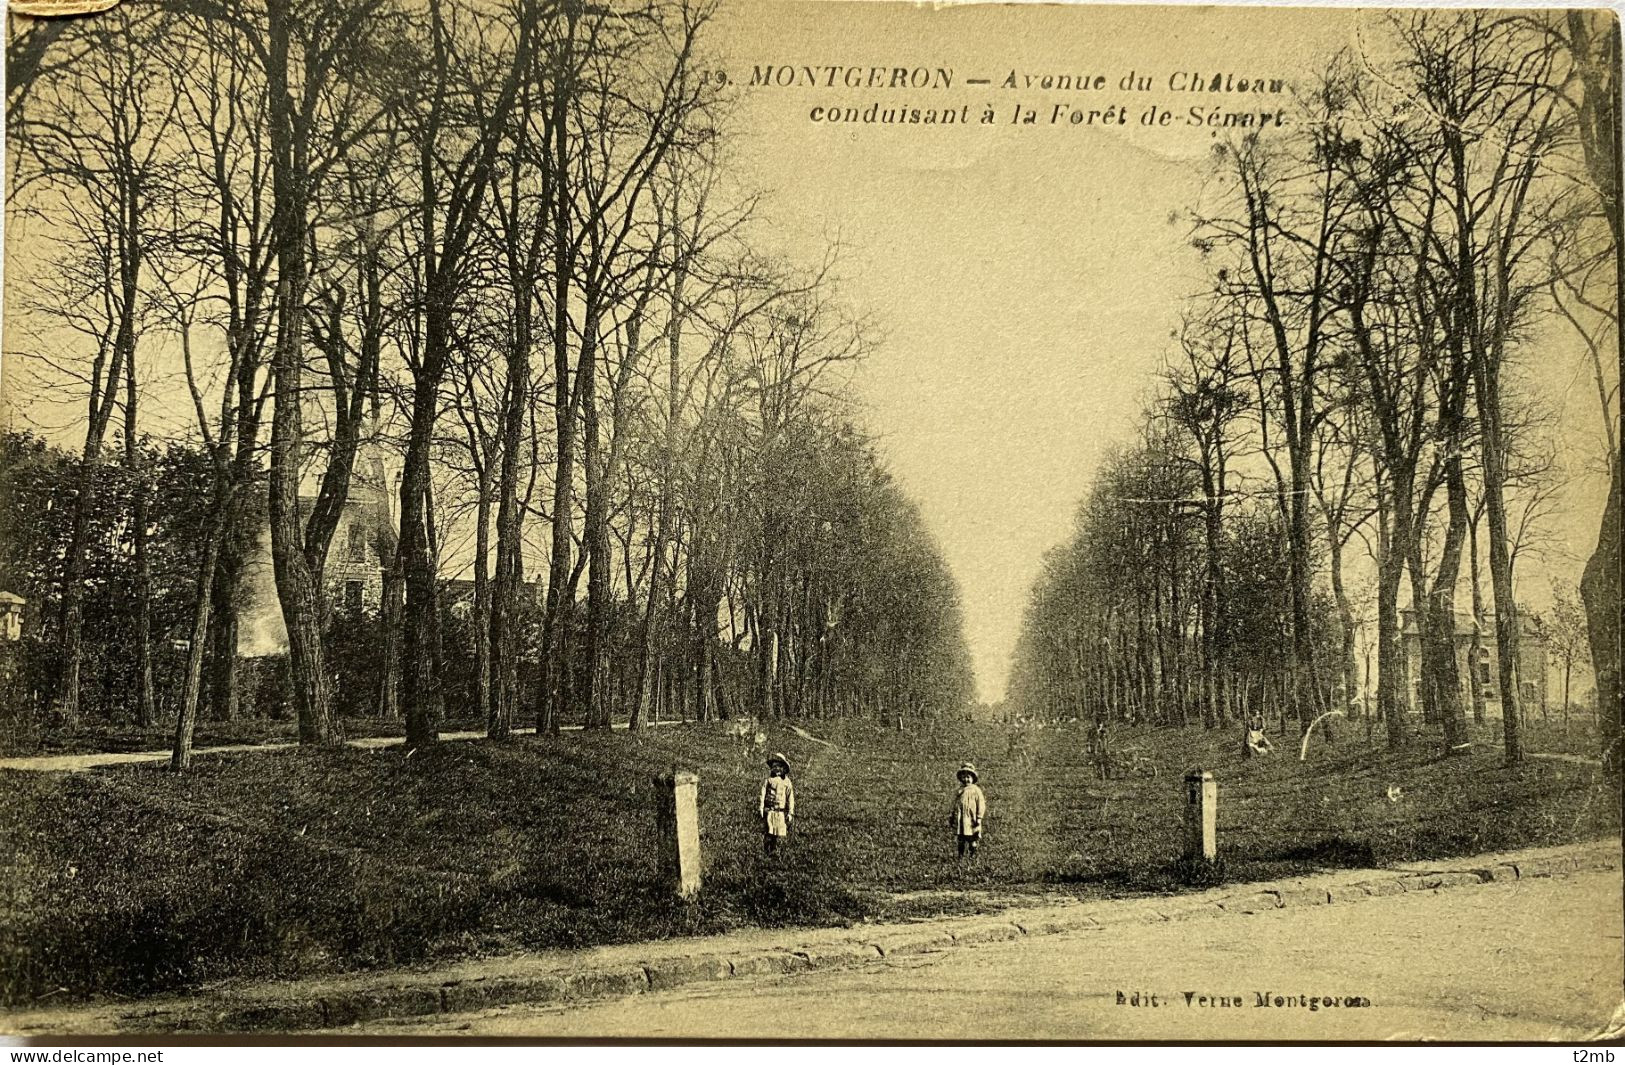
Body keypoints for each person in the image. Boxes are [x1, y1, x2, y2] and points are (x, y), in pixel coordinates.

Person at [758, 753, 795, 854]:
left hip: (780, 812)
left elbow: (790, 797)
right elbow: (762, 794)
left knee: (777, 832)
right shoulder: (769, 780)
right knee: (769, 831)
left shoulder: (787, 782)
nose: (776, 769)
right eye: (774, 767)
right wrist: (761, 807)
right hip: (769, 810)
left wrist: (790, 812)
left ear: (784, 768)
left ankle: (773, 850)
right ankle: (766, 850)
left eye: (779, 766)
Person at [948, 762, 986, 860]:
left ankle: (971, 856)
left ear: (973, 778)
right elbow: (954, 803)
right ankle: (960, 856)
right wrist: (952, 815)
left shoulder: (976, 790)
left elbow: (981, 804)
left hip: (972, 819)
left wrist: (979, 818)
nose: (966, 779)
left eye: (968, 777)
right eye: (963, 777)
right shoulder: (959, 790)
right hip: (961, 819)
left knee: (972, 838)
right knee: (961, 838)